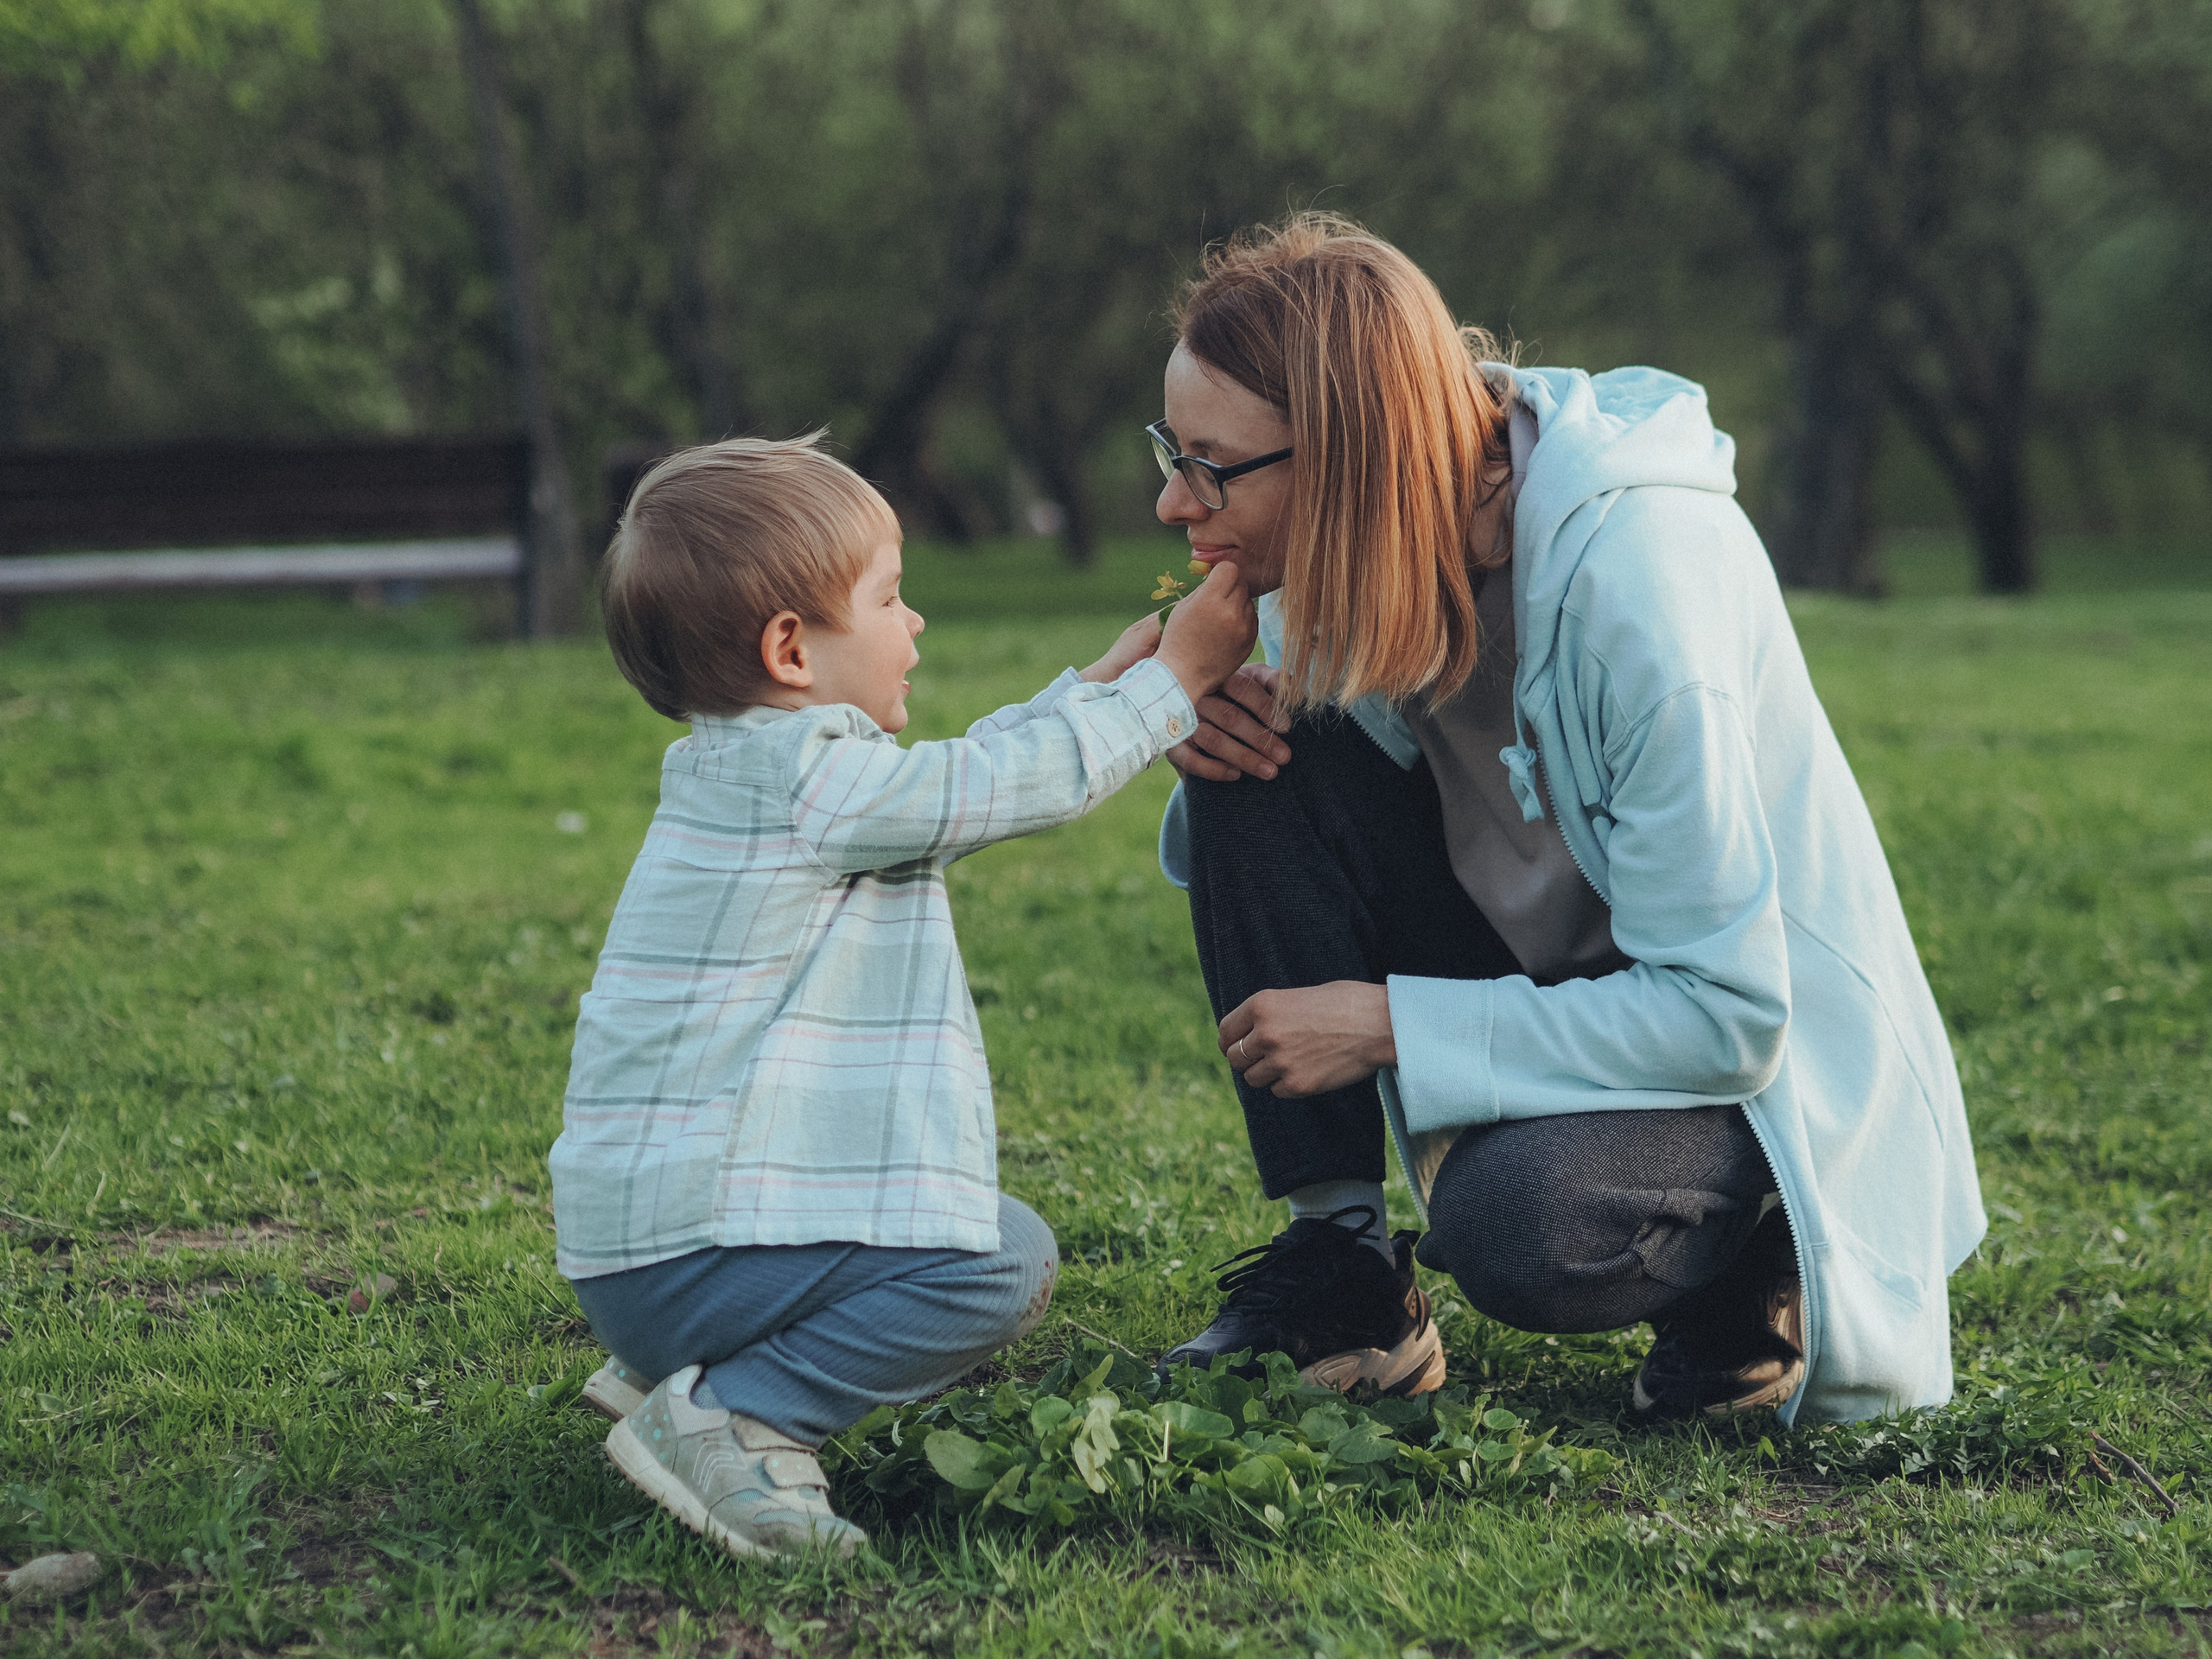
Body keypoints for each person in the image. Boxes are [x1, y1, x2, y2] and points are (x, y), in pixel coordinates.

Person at [1147, 215, 1986, 1425]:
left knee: (1519, 1223)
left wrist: (1389, 1022)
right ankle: (1341, 1275)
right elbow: (1283, 823)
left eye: (1211, 465)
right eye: (1173, 453)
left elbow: (1728, 1014)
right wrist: (1177, 712)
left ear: (1346, 458)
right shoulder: (1370, 541)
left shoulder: (1639, 583)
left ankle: (1758, 1249)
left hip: (1738, 1056)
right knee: (1261, 748)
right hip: (1545, 983)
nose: (1175, 502)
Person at [549, 435, 1256, 1558]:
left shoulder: (761, 774)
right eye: (888, 596)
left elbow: (948, 785)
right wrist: (1173, 687)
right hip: (683, 1259)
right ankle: (739, 1415)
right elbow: (980, 791)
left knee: (964, 1233)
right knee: (993, 1263)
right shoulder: (806, 784)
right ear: (790, 649)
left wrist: (1092, 695)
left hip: (642, 1256)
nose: (915, 623)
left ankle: (678, 1374)